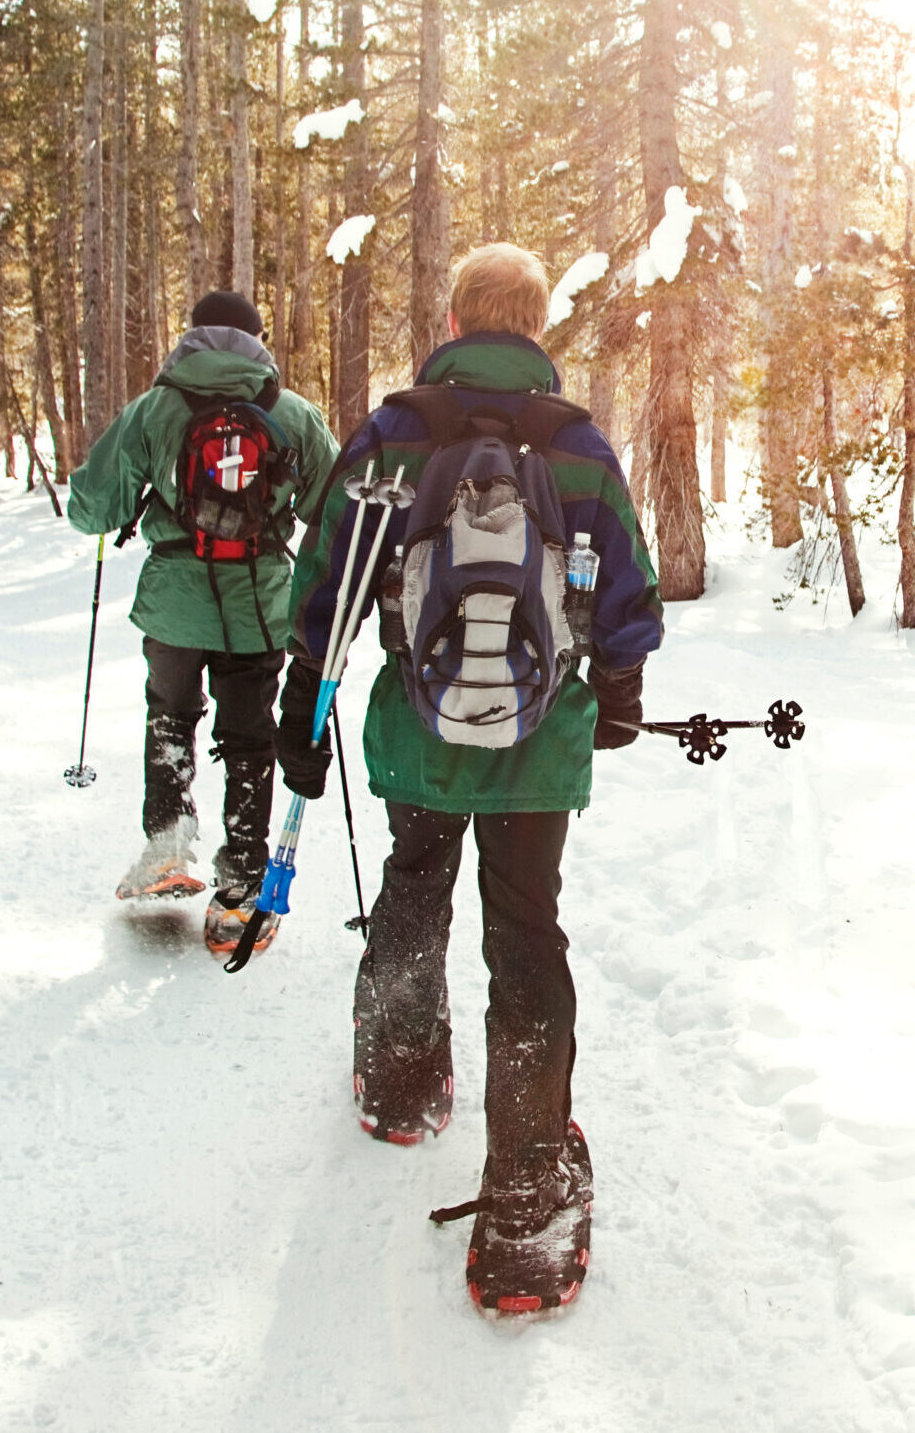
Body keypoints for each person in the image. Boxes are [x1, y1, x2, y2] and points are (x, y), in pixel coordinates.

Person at [278, 243, 662, 1310]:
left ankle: (402, 1080)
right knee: (526, 931)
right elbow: (627, 588)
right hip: (539, 744)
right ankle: (528, 1194)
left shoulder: (396, 433)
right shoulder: (576, 444)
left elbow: (332, 579)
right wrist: (618, 693)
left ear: (455, 316)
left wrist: (301, 697)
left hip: (417, 729)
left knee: (413, 881)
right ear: (536, 326)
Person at [68, 290, 337, 955]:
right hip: (260, 603)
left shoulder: (154, 409)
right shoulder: (291, 413)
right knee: (250, 737)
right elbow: (334, 507)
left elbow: (94, 508)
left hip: (175, 603)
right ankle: (241, 887)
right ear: (257, 339)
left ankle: (166, 842)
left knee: (171, 713)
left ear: (191, 337)